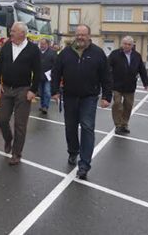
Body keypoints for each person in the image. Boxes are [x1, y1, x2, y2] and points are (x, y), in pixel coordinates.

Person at [51, 24, 112, 180]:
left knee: (87, 127)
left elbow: (106, 76)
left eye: (83, 35)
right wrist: (55, 91)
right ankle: (73, 152)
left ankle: (84, 165)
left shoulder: (98, 54)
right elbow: (56, 72)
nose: (80, 37)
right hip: (70, 97)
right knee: (70, 127)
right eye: (78, 34)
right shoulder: (65, 53)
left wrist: (106, 96)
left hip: (89, 97)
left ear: (89, 36)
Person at [0, 22, 41, 166]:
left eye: (13, 31)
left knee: (20, 125)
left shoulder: (33, 49)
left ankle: (16, 153)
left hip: (23, 90)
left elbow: (38, 71)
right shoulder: (7, 46)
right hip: (7, 89)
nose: (11, 33)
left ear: (23, 33)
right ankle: (8, 139)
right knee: (2, 120)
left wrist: (33, 90)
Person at [108, 36, 148, 135]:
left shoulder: (137, 56)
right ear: (122, 44)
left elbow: (142, 70)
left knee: (128, 106)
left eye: (129, 44)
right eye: (125, 44)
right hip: (116, 85)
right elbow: (107, 68)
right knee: (117, 104)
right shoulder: (115, 54)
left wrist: (146, 84)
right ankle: (118, 125)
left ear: (132, 45)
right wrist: (108, 81)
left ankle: (124, 125)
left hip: (130, 86)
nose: (127, 46)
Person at [38, 38, 57, 115]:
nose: (42, 45)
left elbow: (56, 65)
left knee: (47, 92)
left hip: (48, 77)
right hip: (39, 76)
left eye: (43, 44)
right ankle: (42, 105)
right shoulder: (37, 52)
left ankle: (45, 106)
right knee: (41, 92)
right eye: (41, 44)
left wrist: (51, 72)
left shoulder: (52, 53)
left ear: (47, 44)